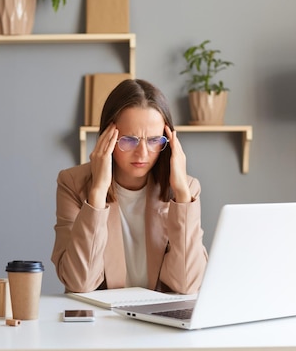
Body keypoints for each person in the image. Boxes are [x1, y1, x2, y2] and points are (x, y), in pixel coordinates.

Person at [52, 79, 208, 294]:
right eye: (129, 140)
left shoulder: (187, 188)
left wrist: (182, 194)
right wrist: (97, 194)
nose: (143, 154)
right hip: (103, 321)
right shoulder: (72, 183)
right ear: (107, 137)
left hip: (159, 320)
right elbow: (79, 282)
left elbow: (187, 284)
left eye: (155, 140)